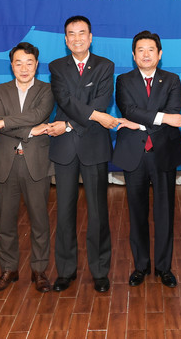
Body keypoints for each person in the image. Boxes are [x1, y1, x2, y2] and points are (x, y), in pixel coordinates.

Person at [113, 31, 181, 288]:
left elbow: (174, 112)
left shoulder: (172, 80)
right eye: (141, 50)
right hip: (134, 154)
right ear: (133, 55)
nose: (146, 54)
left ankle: (164, 267)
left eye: (151, 50)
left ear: (160, 54)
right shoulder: (124, 80)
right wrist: (162, 118)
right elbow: (128, 110)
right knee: (137, 213)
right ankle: (141, 265)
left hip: (163, 152)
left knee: (165, 213)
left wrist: (142, 123)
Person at [47, 15, 118, 293]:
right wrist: (95, 116)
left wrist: (68, 124)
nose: (77, 38)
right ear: (66, 40)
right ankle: (65, 270)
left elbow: (103, 101)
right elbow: (64, 100)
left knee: (98, 212)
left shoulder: (105, 66)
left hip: (93, 145)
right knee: (64, 211)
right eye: (71, 34)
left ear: (90, 37)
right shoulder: (56, 66)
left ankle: (99, 271)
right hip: (65, 148)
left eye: (82, 33)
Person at [0, 42, 55, 293]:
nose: (24, 68)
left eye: (29, 63)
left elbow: (37, 115)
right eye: (18, 63)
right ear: (11, 65)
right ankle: (8, 269)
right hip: (7, 162)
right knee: (5, 221)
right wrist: (30, 131)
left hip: (36, 163)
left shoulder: (47, 90)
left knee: (40, 220)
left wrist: (4, 122)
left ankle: (39, 270)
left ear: (37, 64)